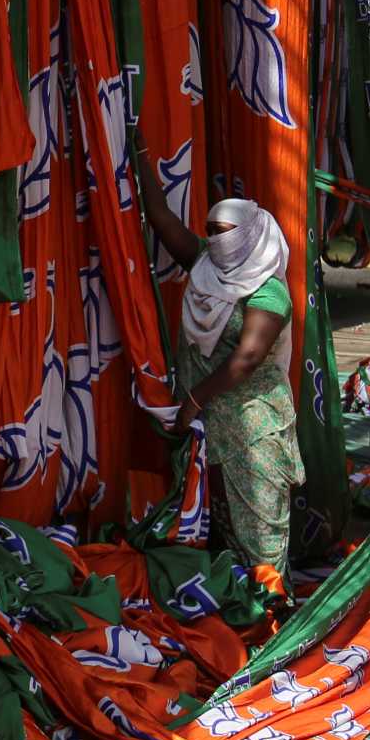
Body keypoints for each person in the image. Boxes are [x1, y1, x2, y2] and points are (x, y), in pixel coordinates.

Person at [132, 132, 305, 586]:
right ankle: (233, 610)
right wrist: (141, 153)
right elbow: (162, 220)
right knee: (213, 518)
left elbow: (247, 358)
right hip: (208, 424)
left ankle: (272, 609)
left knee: (259, 523)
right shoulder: (208, 265)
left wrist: (192, 398)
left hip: (253, 426)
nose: (214, 239)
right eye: (210, 230)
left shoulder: (269, 292)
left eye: (224, 232)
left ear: (250, 235)